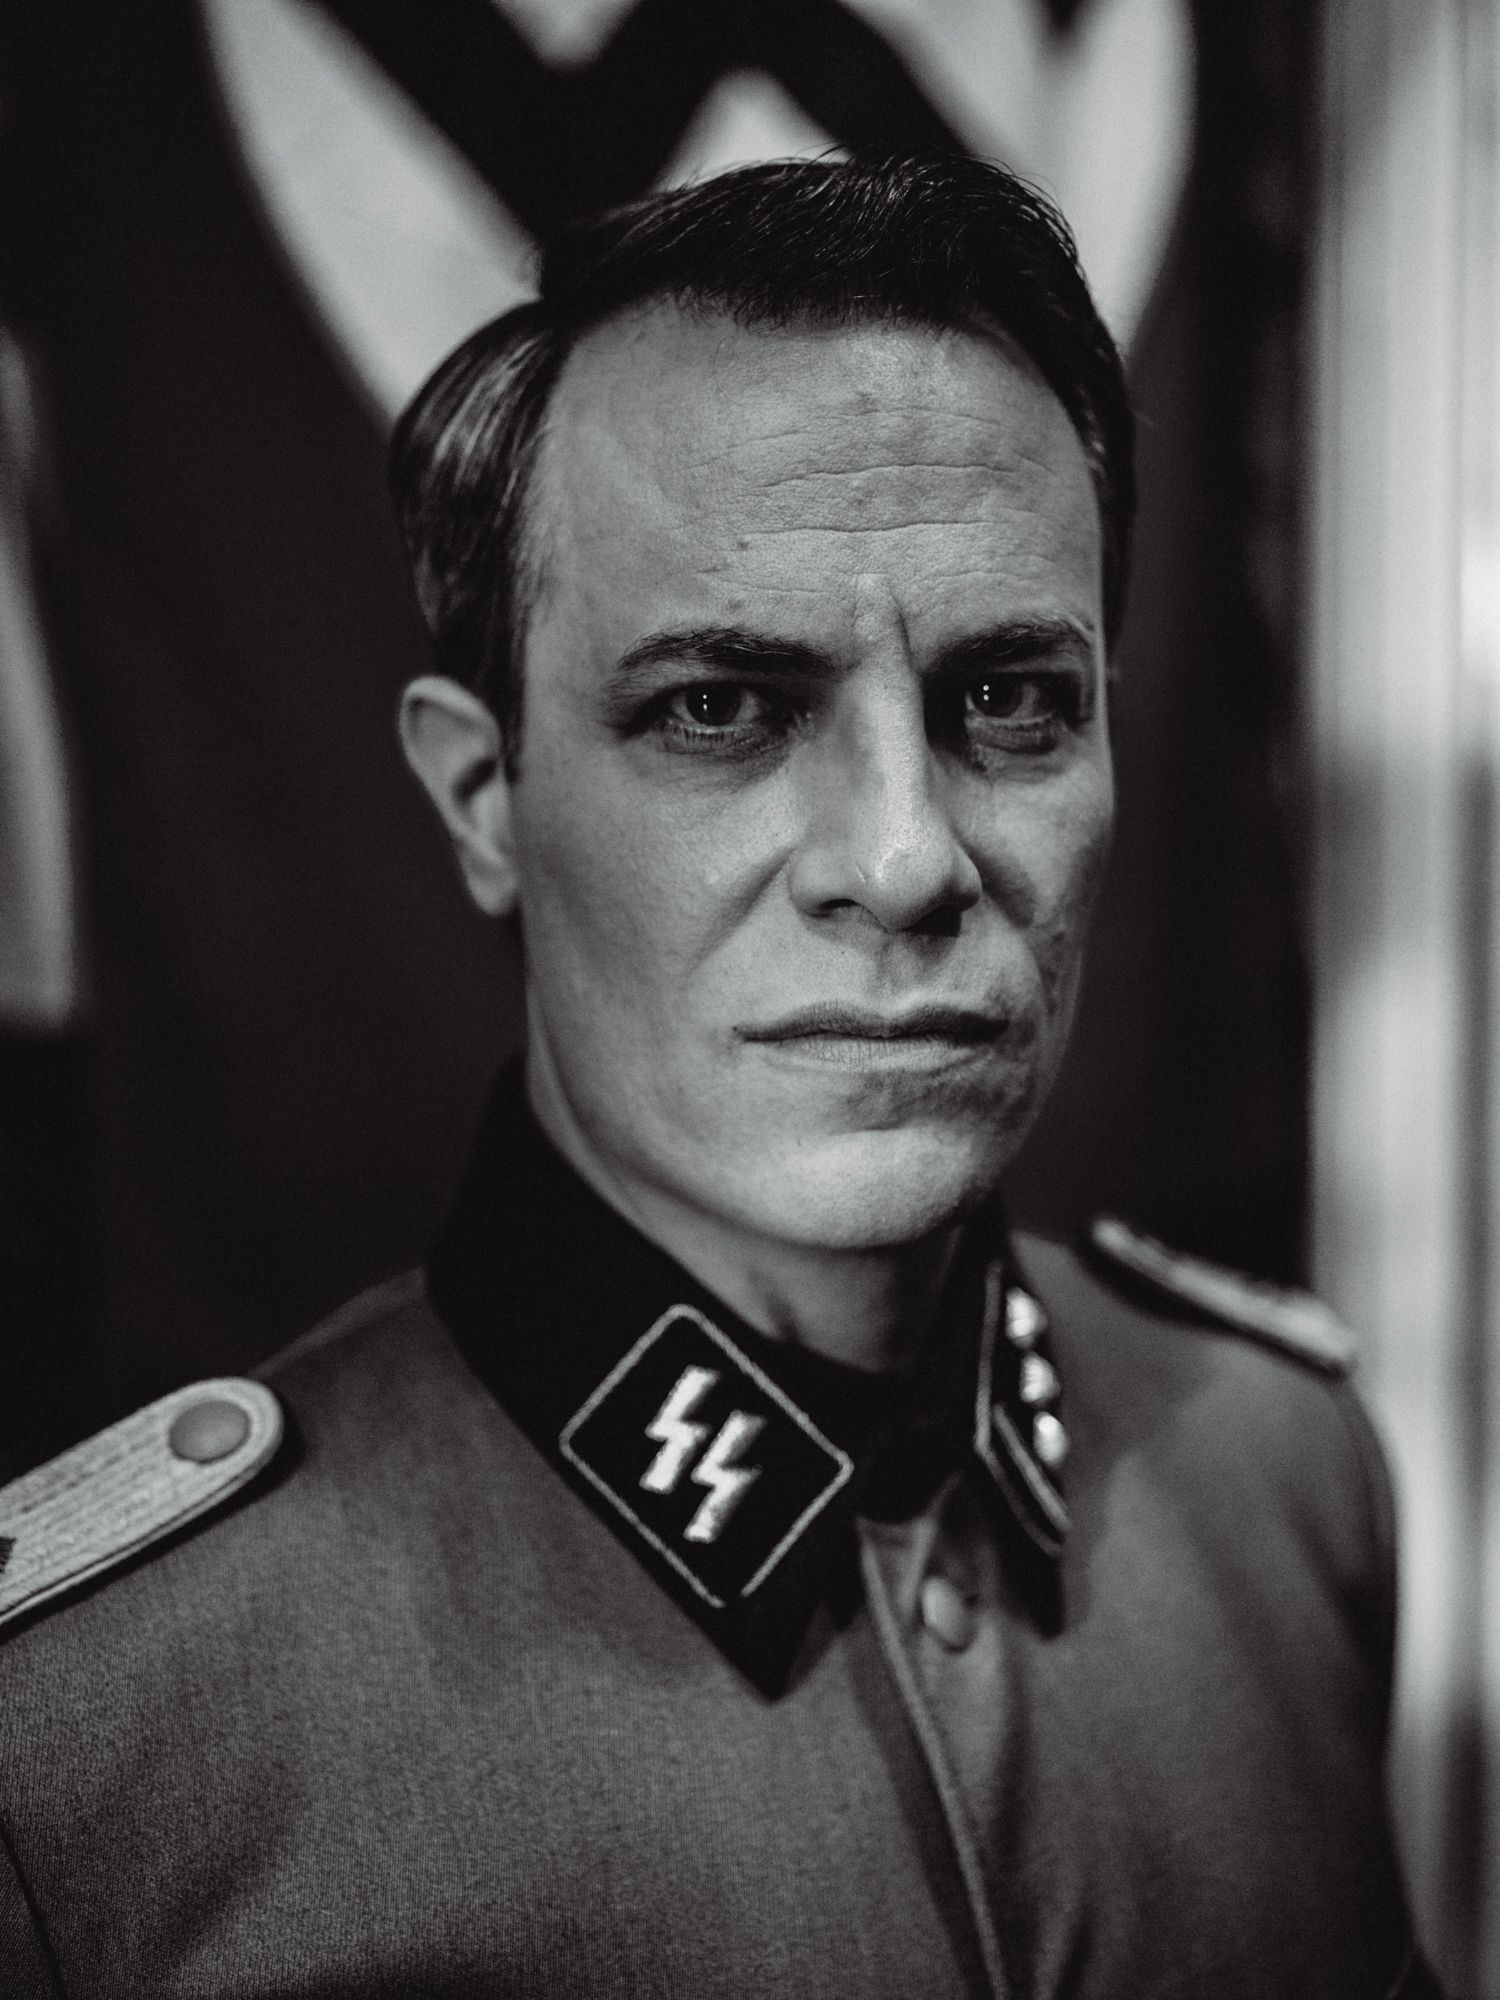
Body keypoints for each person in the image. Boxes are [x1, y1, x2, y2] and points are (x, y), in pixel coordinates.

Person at [0, 155, 1440, 1998]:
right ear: (484, 797)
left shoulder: (1283, 1488)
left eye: (1012, 698)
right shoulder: (96, 1743)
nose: (905, 859)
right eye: (721, 710)